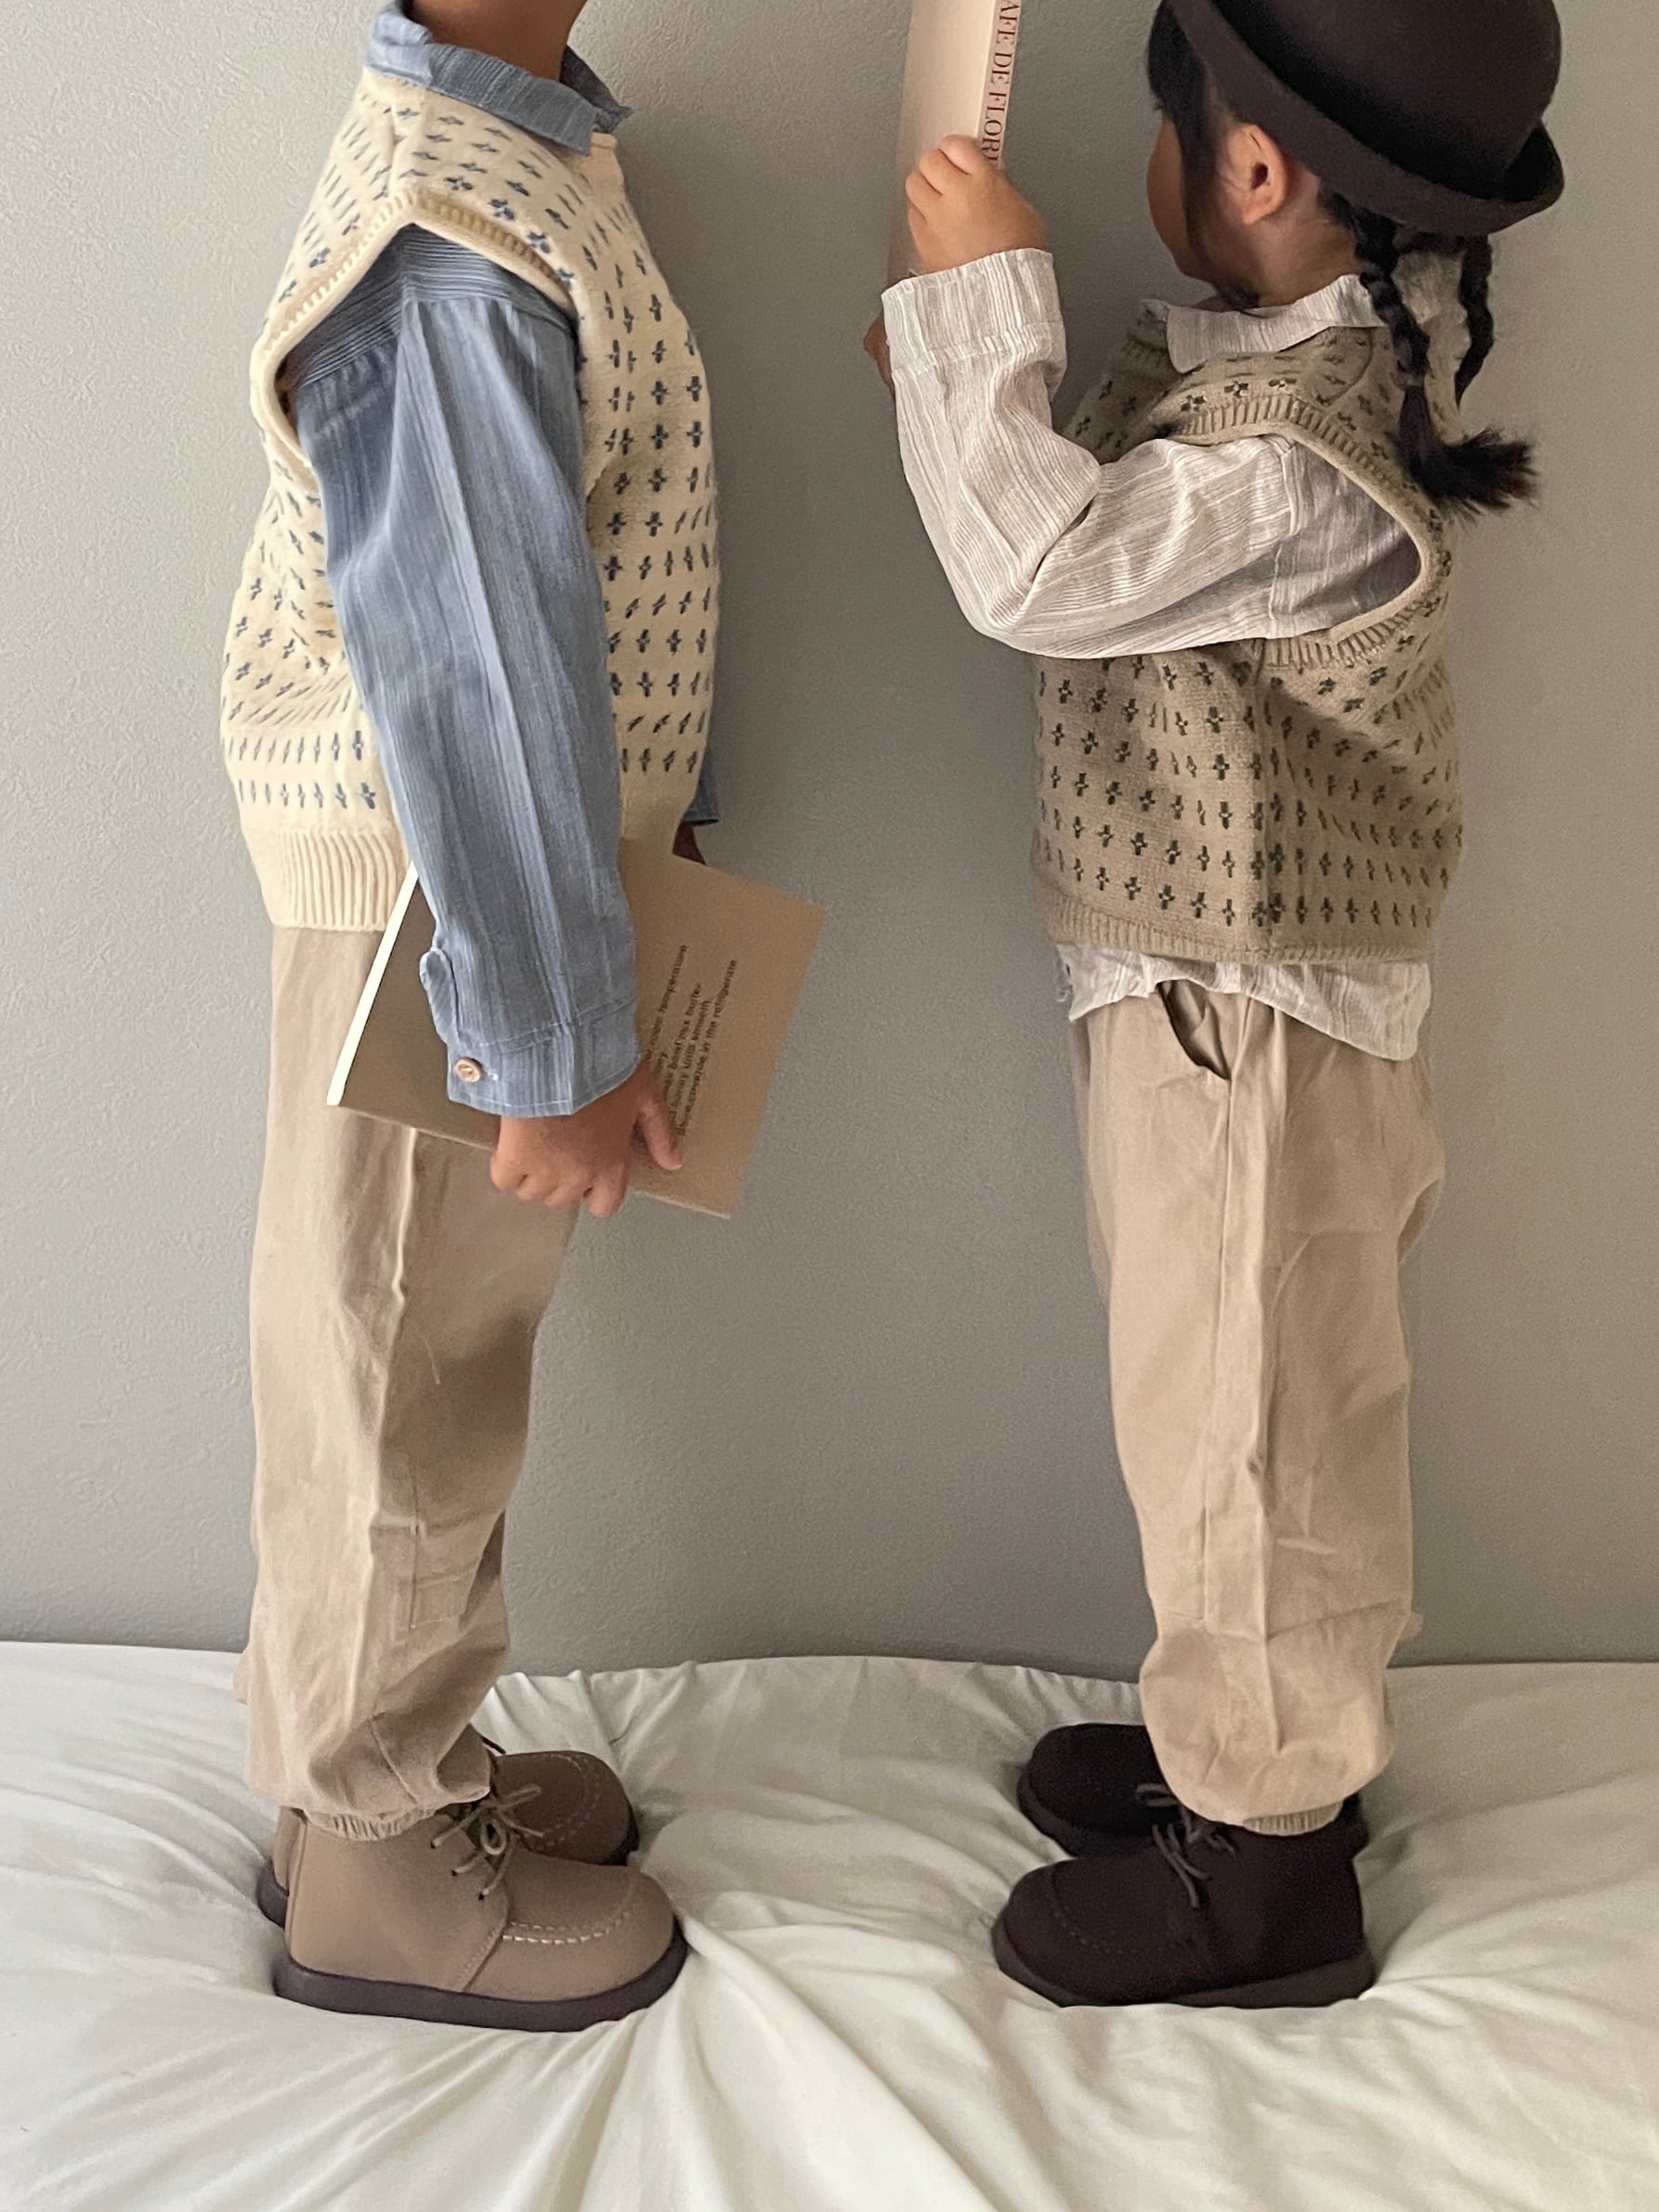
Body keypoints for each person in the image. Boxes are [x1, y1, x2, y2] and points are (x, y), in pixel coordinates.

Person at [873, 0, 1563, 2007]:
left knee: (1256, 1424)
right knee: (1203, 1397)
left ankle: (1266, 1862)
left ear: (1248, 169)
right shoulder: (1264, 381)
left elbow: (1038, 567)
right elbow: (1082, 501)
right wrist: (955, 357)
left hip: (1245, 1023)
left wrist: (973, 303)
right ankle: (1238, 1746)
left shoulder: (1306, 460)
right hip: (1197, 996)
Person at [221, 0, 720, 2030]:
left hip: (471, 906)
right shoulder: (450, 244)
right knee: (397, 1377)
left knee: (409, 1355)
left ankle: (376, 1766)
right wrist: (553, 1040)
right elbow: (480, 679)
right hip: (446, 920)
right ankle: (370, 1847)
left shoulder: (518, 159)